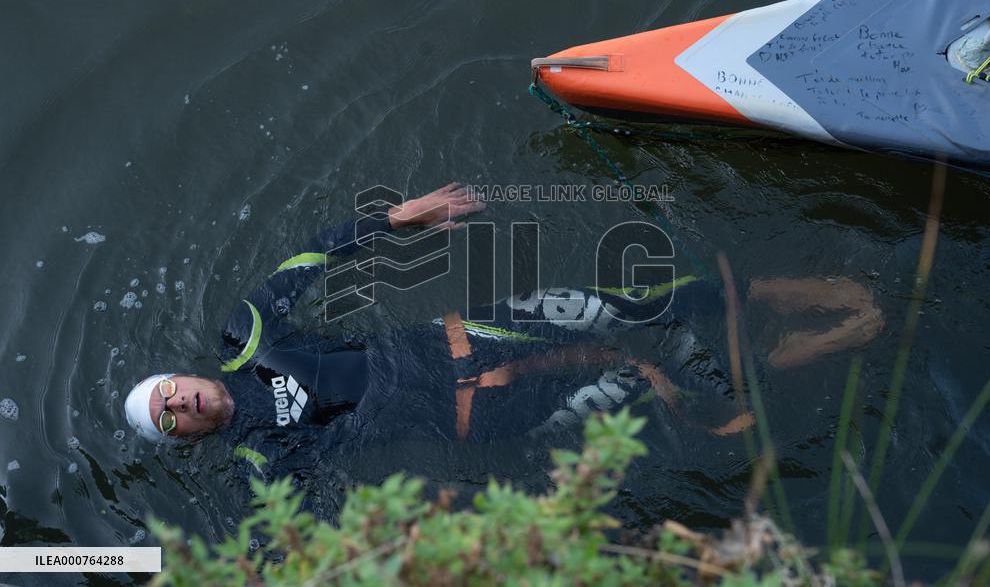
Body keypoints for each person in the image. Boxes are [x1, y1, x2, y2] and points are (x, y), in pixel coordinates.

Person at [124, 182, 883, 479]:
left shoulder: (246, 336)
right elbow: (294, 539)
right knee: (667, 389)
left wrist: (399, 217)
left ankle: (784, 293)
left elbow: (313, 255)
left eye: (170, 394)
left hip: (477, 334)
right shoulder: (259, 459)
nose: (181, 406)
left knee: (640, 304)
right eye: (171, 420)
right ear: (183, 437)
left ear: (177, 376)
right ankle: (802, 353)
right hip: (484, 415)